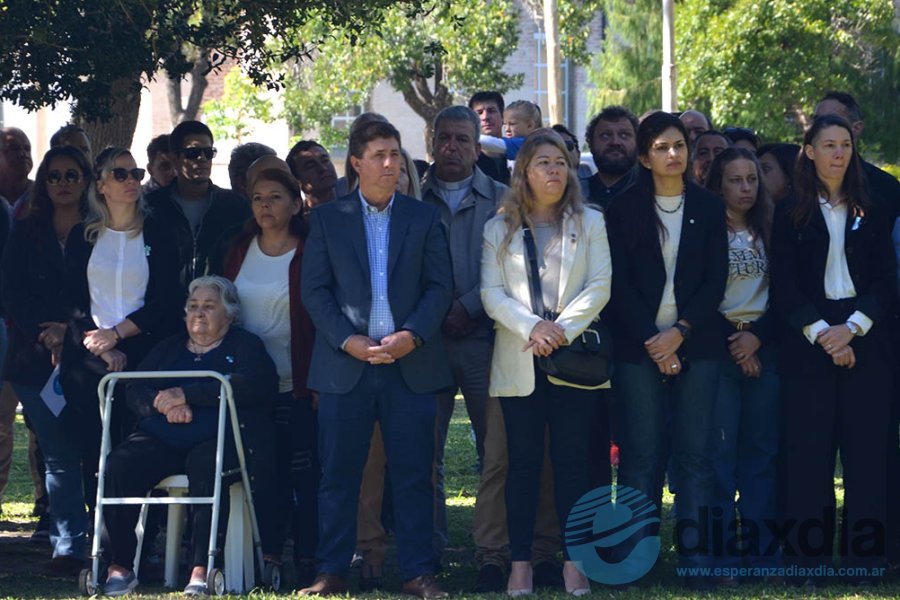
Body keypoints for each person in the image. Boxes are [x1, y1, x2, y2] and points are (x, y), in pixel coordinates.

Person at [299, 120, 452, 599]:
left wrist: (414, 335)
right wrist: (347, 340)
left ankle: (417, 573)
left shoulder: (423, 218)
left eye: (395, 154)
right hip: (347, 367)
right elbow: (315, 291)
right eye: (380, 155)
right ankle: (332, 571)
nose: (391, 164)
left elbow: (439, 287)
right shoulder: (328, 219)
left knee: (413, 475)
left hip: (410, 365)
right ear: (356, 163)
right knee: (339, 476)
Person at [481, 129, 611, 596]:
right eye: (543, 163)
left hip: (573, 359)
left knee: (572, 465)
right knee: (523, 465)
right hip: (520, 357)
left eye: (560, 161)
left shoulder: (590, 222)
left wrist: (558, 332)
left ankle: (576, 563)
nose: (554, 170)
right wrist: (533, 328)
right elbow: (491, 293)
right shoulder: (499, 228)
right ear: (524, 173)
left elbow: (600, 286)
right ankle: (520, 566)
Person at [605, 111, 728, 588]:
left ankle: (696, 562)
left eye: (679, 145)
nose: (673, 154)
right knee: (641, 454)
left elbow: (715, 280)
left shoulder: (709, 207)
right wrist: (656, 342)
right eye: (661, 147)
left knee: (695, 455)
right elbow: (618, 284)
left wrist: (680, 331)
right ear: (644, 156)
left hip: (698, 341)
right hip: (639, 345)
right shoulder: (623, 209)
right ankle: (636, 559)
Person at [770, 115, 895, 584]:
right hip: (809, 345)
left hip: (867, 341)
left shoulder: (874, 206)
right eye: (828, 145)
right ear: (809, 151)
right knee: (809, 454)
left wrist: (854, 328)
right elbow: (783, 285)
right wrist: (825, 333)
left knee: (866, 455)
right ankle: (809, 561)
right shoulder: (787, 210)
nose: (839, 153)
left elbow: (886, 279)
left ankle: (867, 561)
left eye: (845, 145)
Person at [100, 276, 278, 596]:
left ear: (231, 315)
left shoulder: (245, 346)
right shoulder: (168, 348)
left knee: (208, 464)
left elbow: (256, 386)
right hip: (162, 438)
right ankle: (120, 565)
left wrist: (188, 394)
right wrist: (162, 403)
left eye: (209, 306)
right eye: (193, 307)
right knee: (119, 465)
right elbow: (135, 388)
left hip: (218, 440)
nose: (199, 313)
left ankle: (201, 567)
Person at [60, 146, 184, 517]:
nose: (132, 181)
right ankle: (103, 543)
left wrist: (118, 335)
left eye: (136, 174)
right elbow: (72, 302)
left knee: (139, 448)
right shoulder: (83, 235)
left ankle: (142, 545)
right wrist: (101, 345)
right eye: (121, 174)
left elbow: (166, 299)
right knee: (94, 449)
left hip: (144, 354)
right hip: (89, 357)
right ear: (100, 185)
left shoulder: (158, 231)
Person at [419, 105, 509, 589]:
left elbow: (512, 267)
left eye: (461, 139)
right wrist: (439, 312)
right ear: (431, 143)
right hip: (426, 343)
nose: (451, 147)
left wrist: (469, 306)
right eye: (444, 139)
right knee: (423, 453)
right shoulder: (411, 196)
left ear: (478, 146)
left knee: (494, 453)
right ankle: (427, 553)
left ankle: (492, 554)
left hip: (485, 339)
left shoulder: (502, 198)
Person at [218, 165, 318, 588]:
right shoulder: (239, 248)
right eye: (259, 198)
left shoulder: (311, 250)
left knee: (306, 475)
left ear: (296, 205)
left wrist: (315, 383)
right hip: (248, 387)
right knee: (265, 474)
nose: (266, 205)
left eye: (276, 197)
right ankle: (270, 557)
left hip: (299, 385)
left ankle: (311, 561)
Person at [1, 146, 92, 573]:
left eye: (71, 175)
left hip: (88, 354)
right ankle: (68, 544)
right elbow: (11, 291)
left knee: (90, 449)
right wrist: (47, 332)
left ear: (86, 180)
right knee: (56, 451)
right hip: (32, 359)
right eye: (53, 176)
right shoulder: (26, 230)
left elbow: (105, 293)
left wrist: (69, 332)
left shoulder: (100, 231)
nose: (62, 184)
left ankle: (104, 539)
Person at [703, 147, 780, 580]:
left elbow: (786, 292)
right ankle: (722, 559)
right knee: (720, 459)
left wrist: (756, 340)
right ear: (719, 184)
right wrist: (737, 343)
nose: (746, 188)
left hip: (764, 347)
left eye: (752, 179)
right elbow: (696, 291)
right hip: (719, 349)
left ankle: (763, 555)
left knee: (761, 455)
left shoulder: (771, 228)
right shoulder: (707, 230)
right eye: (735, 180)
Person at [144, 120, 250, 287]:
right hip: (163, 308)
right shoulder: (151, 207)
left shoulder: (235, 207)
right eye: (192, 153)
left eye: (208, 153)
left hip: (219, 306)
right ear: (174, 159)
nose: (202, 159)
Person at [581, 106, 640, 209]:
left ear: (637, 143)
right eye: (605, 135)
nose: (615, 142)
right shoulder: (575, 195)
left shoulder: (653, 192)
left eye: (624, 135)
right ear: (591, 144)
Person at [469, 91, 510, 185]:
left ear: (503, 116)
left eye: (491, 111)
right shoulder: (468, 161)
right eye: (479, 113)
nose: (485, 117)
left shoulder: (516, 157)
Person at [287, 140, 338, 211]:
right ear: (296, 180)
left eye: (325, 160)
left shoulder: (355, 207)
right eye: (311, 166)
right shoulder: (296, 220)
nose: (323, 168)